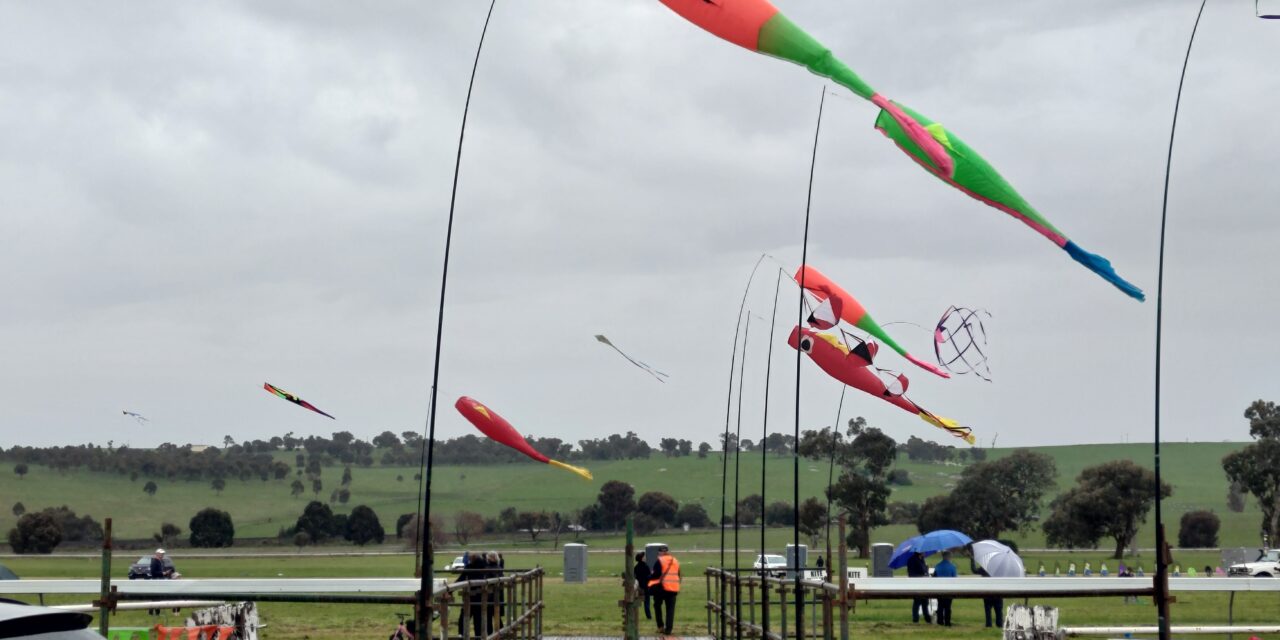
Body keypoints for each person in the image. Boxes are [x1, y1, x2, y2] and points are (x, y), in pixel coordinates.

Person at [648, 545, 680, 635]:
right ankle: (668, 630)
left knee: (657, 606)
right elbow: (678, 574)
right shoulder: (675, 561)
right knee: (670, 609)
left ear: (659, 552)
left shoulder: (660, 561)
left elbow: (655, 575)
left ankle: (660, 626)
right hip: (673, 588)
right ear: (668, 552)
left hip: (661, 588)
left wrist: (648, 577)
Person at [455, 554, 488, 637]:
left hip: (469, 596)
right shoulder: (484, 567)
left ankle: (461, 635)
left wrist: (450, 590)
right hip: (481, 596)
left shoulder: (469, 568)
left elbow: (461, 579)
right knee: (478, 619)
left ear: (471, 560)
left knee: (463, 618)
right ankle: (479, 636)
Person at [933, 551, 957, 627]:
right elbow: (955, 579)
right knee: (948, 607)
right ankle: (947, 622)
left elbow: (934, 577)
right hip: (949, 589)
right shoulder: (952, 567)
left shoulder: (937, 566)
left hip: (939, 589)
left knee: (940, 605)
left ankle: (940, 621)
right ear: (948, 557)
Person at [906, 552, 931, 624]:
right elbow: (921, 570)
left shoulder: (920, 559)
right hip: (917, 583)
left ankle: (926, 618)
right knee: (918, 601)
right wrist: (926, 568)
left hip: (922, 583)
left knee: (924, 602)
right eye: (924, 552)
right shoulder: (914, 560)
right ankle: (916, 619)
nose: (925, 553)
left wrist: (926, 568)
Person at [634, 552, 653, 621]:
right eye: (644, 557)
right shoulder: (645, 566)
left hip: (639, 588)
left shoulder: (636, 567)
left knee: (637, 601)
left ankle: (634, 616)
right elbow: (649, 576)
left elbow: (635, 576)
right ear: (642, 558)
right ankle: (649, 616)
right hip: (646, 587)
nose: (645, 558)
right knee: (647, 603)